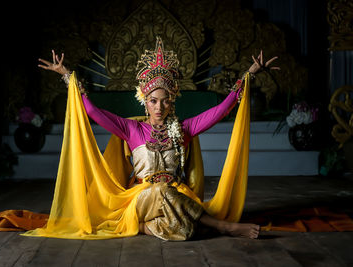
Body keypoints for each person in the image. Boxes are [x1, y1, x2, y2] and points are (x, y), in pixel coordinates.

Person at [33, 37, 279, 241]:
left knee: (184, 230)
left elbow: (222, 110)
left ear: (172, 101)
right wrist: (67, 76)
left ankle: (142, 228)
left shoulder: (184, 128)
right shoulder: (131, 129)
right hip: (141, 197)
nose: (159, 106)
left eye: (165, 100)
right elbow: (93, 112)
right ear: (144, 101)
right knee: (161, 190)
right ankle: (224, 228)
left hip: (176, 194)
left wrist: (249, 75)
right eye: (153, 100)